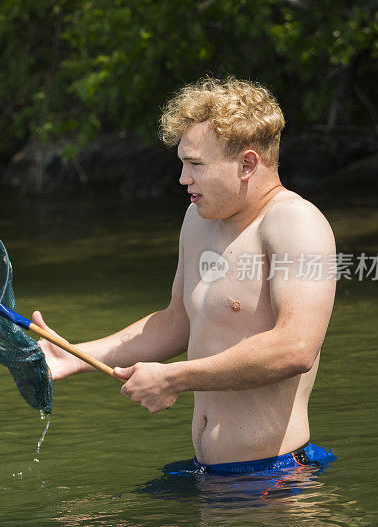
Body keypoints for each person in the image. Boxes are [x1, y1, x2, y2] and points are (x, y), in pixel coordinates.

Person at [33, 76, 337, 473]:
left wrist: (173, 379)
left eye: (195, 165)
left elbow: (296, 348)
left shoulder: (296, 223)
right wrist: (73, 355)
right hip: (207, 474)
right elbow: (177, 322)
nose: (182, 179)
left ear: (247, 164)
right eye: (182, 163)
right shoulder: (198, 219)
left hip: (273, 478)